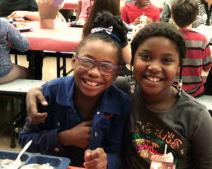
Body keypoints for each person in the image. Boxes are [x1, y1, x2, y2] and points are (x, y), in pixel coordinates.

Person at [25, 22, 212, 168]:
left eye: (167, 60)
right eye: (145, 57)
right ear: (132, 61)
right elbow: (82, 82)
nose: (153, 67)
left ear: (179, 67)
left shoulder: (197, 117)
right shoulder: (123, 89)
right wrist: (35, 92)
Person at [19, 12, 131, 168]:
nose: (93, 72)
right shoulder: (51, 93)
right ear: (73, 61)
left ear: (116, 73)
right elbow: (25, 139)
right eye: (86, 61)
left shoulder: (121, 103)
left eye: (106, 67)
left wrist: (106, 162)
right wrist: (63, 138)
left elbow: (120, 153)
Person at [171, 0, 212, 97]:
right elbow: (207, 68)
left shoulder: (168, 38)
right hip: (195, 91)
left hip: (170, 90)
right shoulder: (202, 39)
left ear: (172, 17)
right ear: (195, 18)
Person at [83, 0, 132, 76]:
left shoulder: (88, 25)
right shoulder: (119, 27)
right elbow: (128, 59)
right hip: (115, 74)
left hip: (90, 71)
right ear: (116, 7)